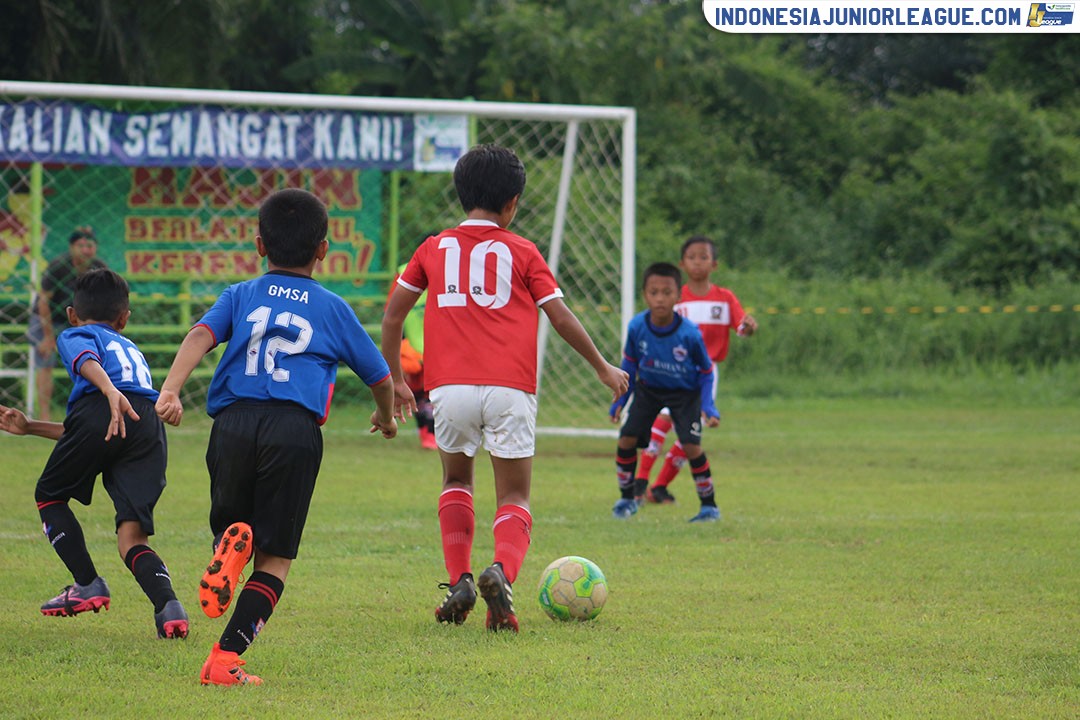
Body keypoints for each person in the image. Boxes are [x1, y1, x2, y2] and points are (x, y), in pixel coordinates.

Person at [154, 188, 398, 686]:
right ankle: (226, 661)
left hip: (232, 424)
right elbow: (380, 376)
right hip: (293, 429)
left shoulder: (240, 294)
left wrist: (172, 390)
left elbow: (200, 335)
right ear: (323, 250)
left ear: (259, 244)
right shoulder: (331, 307)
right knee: (277, 558)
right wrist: (386, 416)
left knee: (233, 528)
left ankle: (230, 544)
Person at [382, 143, 628, 633]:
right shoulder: (522, 251)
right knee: (514, 494)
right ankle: (501, 573)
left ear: (460, 195)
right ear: (513, 202)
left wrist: (395, 382)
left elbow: (392, 318)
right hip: (511, 389)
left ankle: (460, 581)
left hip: (447, 389)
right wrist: (602, 366)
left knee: (456, 482)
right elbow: (559, 316)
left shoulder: (433, 248)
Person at [0, 268, 188, 638]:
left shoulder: (77, 333)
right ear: (124, 319)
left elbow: (87, 364)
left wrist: (106, 390)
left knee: (49, 496)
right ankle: (170, 610)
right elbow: (94, 430)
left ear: (71, 314)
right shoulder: (132, 350)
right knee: (132, 538)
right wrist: (31, 427)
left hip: (109, 408)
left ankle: (87, 583)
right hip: (146, 423)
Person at [635, 236, 757, 505]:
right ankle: (640, 484)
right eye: (692, 257)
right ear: (682, 264)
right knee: (663, 421)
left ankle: (658, 487)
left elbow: (741, 327)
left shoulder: (724, 299)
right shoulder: (676, 298)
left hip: (704, 374)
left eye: (704, 257)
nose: (698, 262)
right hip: (672, 370)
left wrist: (747, 327)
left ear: (714, 264)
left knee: (689, 435)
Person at [609, 262, 723, 523]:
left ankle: (709, 507)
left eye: (666, 292)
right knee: (626, 439)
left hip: (685, 394)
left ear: (678, 295)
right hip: (649, 391)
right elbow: (629, 365)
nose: (660, 298)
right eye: (653, 292)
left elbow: (706, 372)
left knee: (692, 446)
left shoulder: (689, 334)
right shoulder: (637, 326)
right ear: (645, 294)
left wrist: (709, 406)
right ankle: (627, 500)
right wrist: (620, 400)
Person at [28, 227, 107, 421]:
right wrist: (48, 337)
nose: (86, 250)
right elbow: (43, 301)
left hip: (77, 319)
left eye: (90, 245)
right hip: (45, 317)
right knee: (46, 362)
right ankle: (44, 415)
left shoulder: (99, 268)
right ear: (72, 247)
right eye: (81, 245)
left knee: (93, 361)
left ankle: (92, 410)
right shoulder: (59, 266)